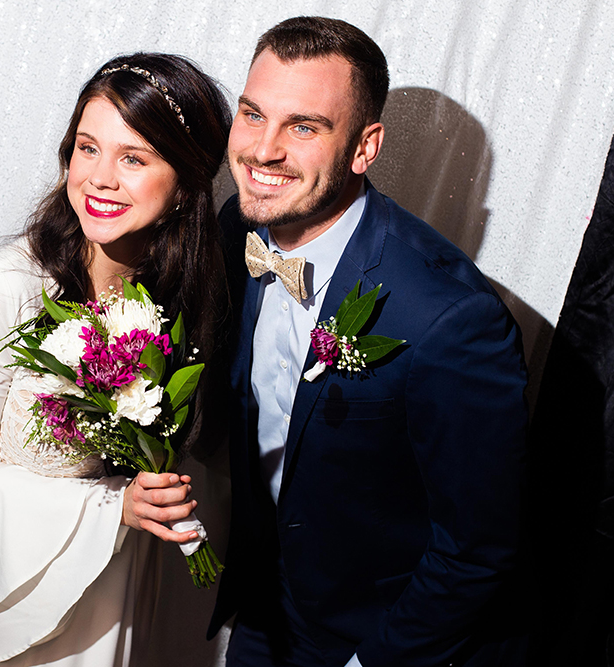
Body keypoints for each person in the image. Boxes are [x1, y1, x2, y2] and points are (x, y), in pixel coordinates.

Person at [0, 53, 232, 666]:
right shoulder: (7, 286)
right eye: (87, 147)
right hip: (1, 594)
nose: (99, 177)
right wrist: (112, 508)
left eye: (134, 158)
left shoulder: (178, 298)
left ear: (184, 185)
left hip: (112, 592)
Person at [208, 17, 530, 667]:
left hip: (380, 640)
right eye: (252, 114)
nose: (262, 150)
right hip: (266, 615)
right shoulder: (238, 226)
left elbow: (478, 548)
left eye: (303, 127)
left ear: (364, 146)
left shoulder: (450, 318)